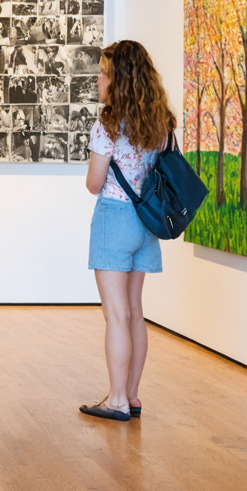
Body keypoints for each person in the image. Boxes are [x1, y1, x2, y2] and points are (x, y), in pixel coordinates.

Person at [79, 40, 176, 422]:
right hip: (146, 223)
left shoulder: (106, 124)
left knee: (115, 315)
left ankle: (116, 399)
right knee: (135, 312)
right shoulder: (160, 121)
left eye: (104, 73)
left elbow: (94, 182)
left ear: (118, 80)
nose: (99, 79)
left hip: (114, 219)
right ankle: (132, 396)